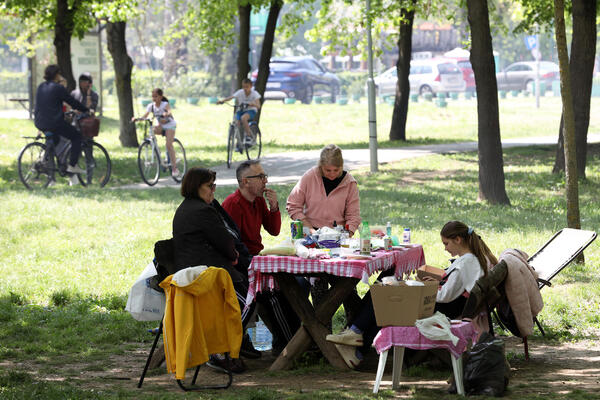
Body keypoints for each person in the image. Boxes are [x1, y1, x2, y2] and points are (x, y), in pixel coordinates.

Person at [326, 221, 497, 369]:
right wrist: (432, 284)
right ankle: (355, 341)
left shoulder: (467, 262)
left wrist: (423, 288)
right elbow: (454, 287)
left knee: (383, 294)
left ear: (458, 240)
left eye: (446, 244)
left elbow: (446, 295)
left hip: (439, 309)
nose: (445, 248)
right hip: (444, 306)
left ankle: (355, 338)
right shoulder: (470, 259)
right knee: (383, 291)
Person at [172, 167, 257, 373]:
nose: (213, 191)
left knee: (249, 291)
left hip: (193, 274)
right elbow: (226, 242)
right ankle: (221, 349)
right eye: (210, 186)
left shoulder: (186, 208)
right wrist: (234, 256)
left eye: (214, 186)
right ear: (196, 187)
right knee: (252, 297)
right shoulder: (203, 211)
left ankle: (233, 343)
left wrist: (233, 255)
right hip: (206, 278)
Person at [222, 160, 301, 355]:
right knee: (273, 294)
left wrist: (274, 207)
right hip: (243, 264)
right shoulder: (233, 204)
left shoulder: (257, 201)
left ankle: (298, 340)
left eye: (265, 176)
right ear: (245, 181)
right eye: (260, 177)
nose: (265, 180)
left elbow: (273, 230)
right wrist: (253, 263)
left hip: (256, 259)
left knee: (290, 287)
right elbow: (232, 246)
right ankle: (289, 344)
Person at [286, 144, 361, 236]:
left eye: (336, 170)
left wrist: (347, 235)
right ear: (321, 166)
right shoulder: (310, 177)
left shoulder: (350, 183)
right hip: (310, 233)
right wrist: (310, 230)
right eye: (328, 170)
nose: (332, 174)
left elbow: (353, 216)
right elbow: (293, 206)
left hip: (337, 234)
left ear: (342, 166)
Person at [34, 64, 89, 175]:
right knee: (76, 136)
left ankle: (45, 162)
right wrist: (85, 109)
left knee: (55, 140)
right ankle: (72, 166)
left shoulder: (41, 86)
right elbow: (71, 101)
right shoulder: (58, 88)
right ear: (57, 75)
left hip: (39, 122)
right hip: (54, 122)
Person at [132, 88, 179, 177]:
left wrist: (166, 114)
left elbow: (169, 111)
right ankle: (157, 151)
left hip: (170, 126)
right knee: (152, 131)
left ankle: (174, 168)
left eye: (156, 96)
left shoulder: (165, 104)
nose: (154, 98)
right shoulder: (151, 106)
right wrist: (137, 119)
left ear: (161, 97)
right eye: (153, 96)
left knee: (168, 145)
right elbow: (145, 116)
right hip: (160, 126)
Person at [217, 78, 261, 146]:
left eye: (247, 87)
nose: (245, 89)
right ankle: (239, 142)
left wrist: (253, 104)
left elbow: (258, 106)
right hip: (241, 110)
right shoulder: (240, 92)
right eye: (243, 87)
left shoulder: (255, 94)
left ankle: (249, 136)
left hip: (251, 111)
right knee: (236, 122)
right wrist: (222, 101)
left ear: (251, 86)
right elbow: (231, 97)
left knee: (243, 118)